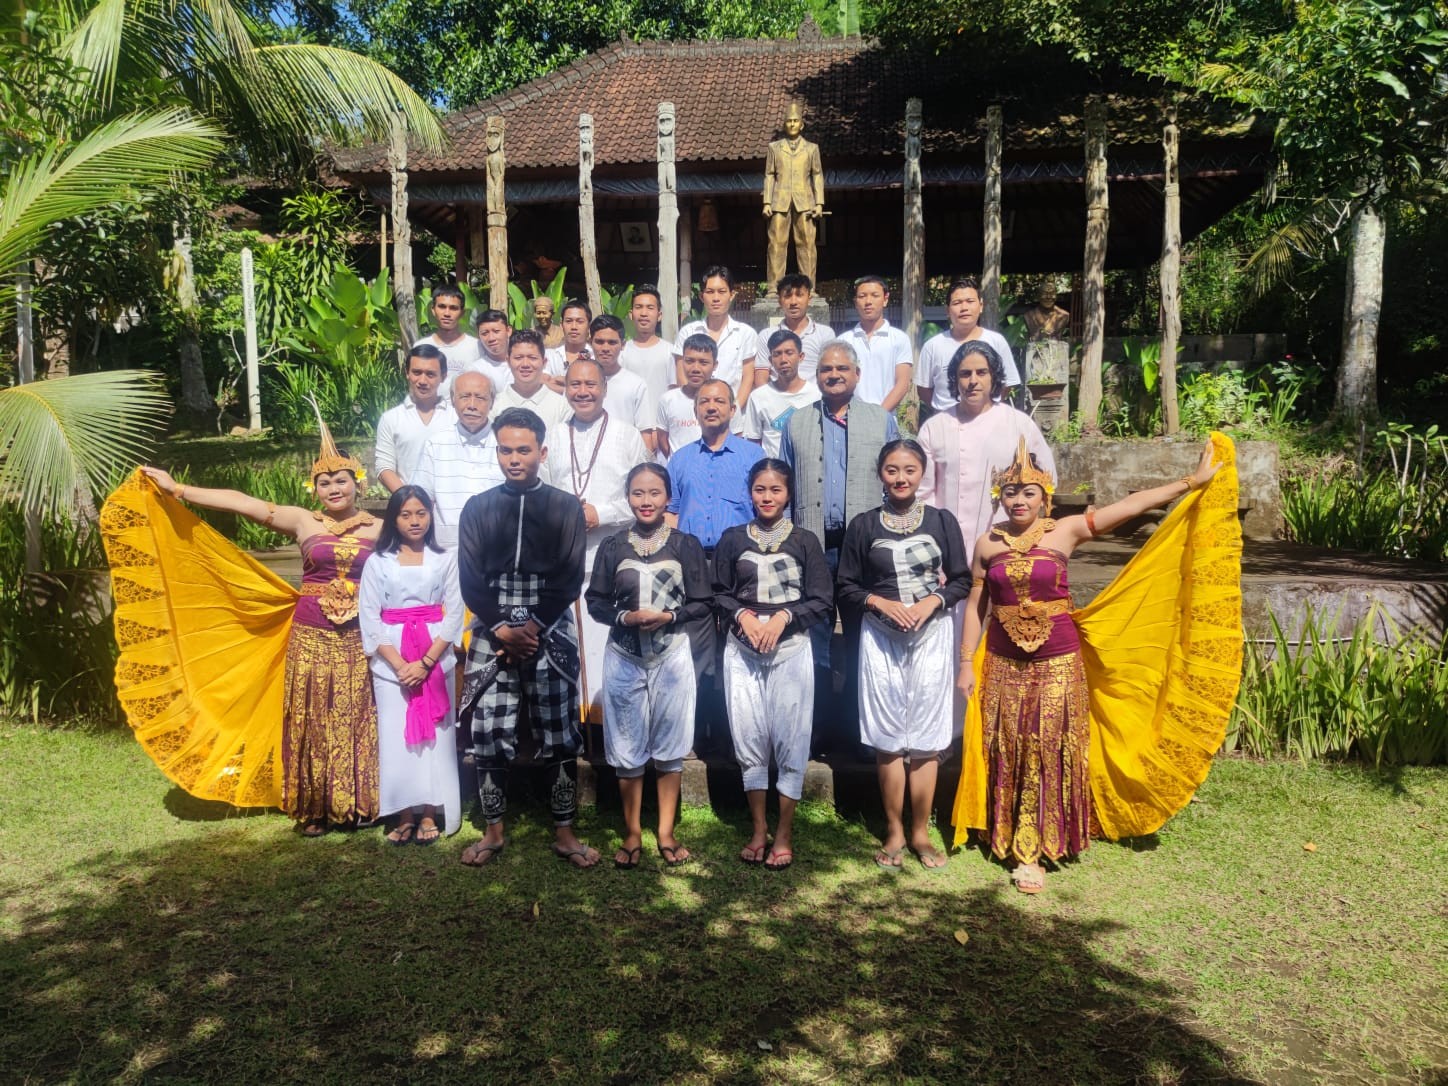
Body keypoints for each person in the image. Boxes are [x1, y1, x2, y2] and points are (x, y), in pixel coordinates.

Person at [955, 437, 1240, 894]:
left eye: (1029, 492)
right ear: (999, 497)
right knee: (1008, 742)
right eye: (1011, 492)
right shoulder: (986, 544)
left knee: (1047, 743)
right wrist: (966, 663)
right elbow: (976, 607)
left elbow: (1127, 507)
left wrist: (1190, 482)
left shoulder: (1065, 530)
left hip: (1058, 658)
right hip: (1003, 661)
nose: (1019, 500)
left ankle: (1034, 849)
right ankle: (1005, 829)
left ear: (1045, 497)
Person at [133, 423, 380, 835]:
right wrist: (179, 490)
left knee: (356, 713)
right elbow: (242, 502)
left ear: (358, 483)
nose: (334, 489)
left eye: (341, 480)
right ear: (314, 489)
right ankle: (314, 807)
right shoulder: (303, 520)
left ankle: (357, 803)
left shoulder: (381, 528)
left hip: (360, 634)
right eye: (324, 483)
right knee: (312, 716)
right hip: (310, 633)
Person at [456, 407, 599, 869]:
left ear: (542, 451)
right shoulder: (478, 507)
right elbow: (470, 578)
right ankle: (493, 831)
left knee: (559, 729)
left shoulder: (564, 507)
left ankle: (565, 832)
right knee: (489, 728)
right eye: (505, 450)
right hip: (491, 625)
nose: (514, 459)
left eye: (523, 450)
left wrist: (532, 627)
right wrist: (502, 627)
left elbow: (570, 576)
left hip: (549, 625)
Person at [836, 440, 970, 870]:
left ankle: (920, 832)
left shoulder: (941, 521)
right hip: (881, 638)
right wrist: (879, 602)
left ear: (922, 473)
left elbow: (962, 579)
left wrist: (932, 601)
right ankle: (894, 830)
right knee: (888, 737)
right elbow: (846, 586)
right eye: (892, 470)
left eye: (909, 470)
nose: (900, 478)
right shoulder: (863, 525)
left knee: (927, 738)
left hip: (931, 636)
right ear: (880, 473)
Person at [585, 463, 713, 869]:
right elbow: (595, 601)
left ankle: (666, 832)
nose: (646, 501)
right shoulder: (613, 546)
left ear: (668, 498)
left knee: (671, 745)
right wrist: (625, 618)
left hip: (670, 654)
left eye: (654, 493)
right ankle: (632, 832)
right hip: (624, 656)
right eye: (638, 493)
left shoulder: (685, 545)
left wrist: (669, 617)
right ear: (628, 497)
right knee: (626, 746)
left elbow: (702, 601)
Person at [780, 339, 899, 756]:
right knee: (812, 639)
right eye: (826, 370)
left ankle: (861, 731)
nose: (834, 375)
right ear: (816, 376)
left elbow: (895, 480)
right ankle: (815, 731)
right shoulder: (797, 422)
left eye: (842, 369)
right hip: (813, 547)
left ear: (857, 374)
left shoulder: (881, 420)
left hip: (863, 550)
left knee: (864, 639)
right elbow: (785, 487)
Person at [714, 459, 833, 870]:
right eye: (760, 489)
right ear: (750, 493)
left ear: (789, 494)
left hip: (790, 650)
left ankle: (783, 832)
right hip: (743, 650)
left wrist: (783, 618)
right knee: (749, 736)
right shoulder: (733, 539)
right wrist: (742, 617)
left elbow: (821, 598)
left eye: (776, 490)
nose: (767, 497)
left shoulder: (805, 541)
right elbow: (717, 591)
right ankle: (758, 829)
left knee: (790, 739)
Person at [544, 359, 649, 723]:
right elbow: (542, 492)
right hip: (566, 562)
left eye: (591, 384)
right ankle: (576, 728)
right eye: (575, 384)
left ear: (605, 388)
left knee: (609, 650)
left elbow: (643, 496)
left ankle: (614, 729)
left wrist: (599, 513)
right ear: (565, 389)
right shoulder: (554, 435)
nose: (583, 392)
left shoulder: (628, 435)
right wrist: (565, 512)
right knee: (572, 649)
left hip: (612, 560)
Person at [359, 485, 464, 844]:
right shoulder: (378, 561)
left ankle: (431, 811)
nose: (414, 521)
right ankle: (404, 811)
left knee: (436, 736)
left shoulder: (445, 559)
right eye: (405, 514)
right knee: (396, 734)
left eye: (421, 513)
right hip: (392, 662)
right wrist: (400, 665)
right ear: (394, 519)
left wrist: (426, 662)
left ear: (431, 516)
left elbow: (455, 614)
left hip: (434, 656)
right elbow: (370, 617)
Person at [917, 340, 1053, 565]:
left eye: (981, 372)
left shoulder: (1019, 425)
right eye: (965, 374)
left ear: (994, 377)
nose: (973, 381)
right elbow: (923, 494)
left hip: (1007, 546)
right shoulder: (935, 427)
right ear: (954, 379)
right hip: (946, 549)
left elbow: (1046, 483)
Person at [666, 379, 763, 556]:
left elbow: (765, 510)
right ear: (695, 411)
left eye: (719, 401)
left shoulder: (754, 456)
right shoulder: (679, 460)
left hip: (741, 558)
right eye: (704, 401)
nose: (711, 407)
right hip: (692, 559)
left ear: (732, 410)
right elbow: (670, 514)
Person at [412, 370, 503, 549]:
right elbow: (420, 500)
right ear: (453, 400)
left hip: (497, 551)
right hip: (447, 552)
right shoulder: (436, 444)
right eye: (464, 397)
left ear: (492, 402)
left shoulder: (505, 444)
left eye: (480, 398)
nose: (472, 405)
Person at [915, 277, 1021, 419]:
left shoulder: (996, 342)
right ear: (947, 310)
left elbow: (1007, 383)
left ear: (981, 306)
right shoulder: (933, 346)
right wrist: (946, 413)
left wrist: (986, 408)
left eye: (970, 301)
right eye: (957, 303)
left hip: (987, 421)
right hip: (946, 423)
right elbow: (923, 389)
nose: (964, 308)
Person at [672, 266, 756, 410]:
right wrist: (695, 410)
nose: (716, 298)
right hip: (694, 414)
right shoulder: (687, 332)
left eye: (722, 291)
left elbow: (748, 378)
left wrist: (733, 411)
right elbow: (682, 376)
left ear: (732, 295)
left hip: (733, 416)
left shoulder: (746, 334)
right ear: (701, 296)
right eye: (710, 292)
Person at [375, 344, 454, 492]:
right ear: (407, 373)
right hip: (408, 503)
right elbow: (384, 467)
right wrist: (409, 499)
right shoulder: (391, 419)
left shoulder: (455, 418)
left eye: (430, 374)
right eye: (417, 372)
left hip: (450, 502)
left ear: (443, 377)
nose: (422, 380)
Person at [741, 329, 820, 458]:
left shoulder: (817, 395)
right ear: (770, 360)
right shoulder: (758, 397)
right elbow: (753, 441)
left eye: (789, 353)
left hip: (807, 466)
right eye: (777, 354)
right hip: (772, 468)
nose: (783, 359)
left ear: (801, 357)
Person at [840, 276, 912, 412]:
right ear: (855, 302)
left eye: (875, 295)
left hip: (886, 417)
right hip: (850, 417)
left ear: (885, 299)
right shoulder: (843, 341)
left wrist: (879, 415)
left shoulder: (899, 339)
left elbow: (902, 384)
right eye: (862, 296)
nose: (868, 301)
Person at [590, 314, 659, 455]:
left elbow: (645, 435)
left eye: (612, 342)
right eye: (599, 342)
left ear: (623, 345)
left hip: (625, 461)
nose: (605, 348)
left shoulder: (636, 384)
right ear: (590, 342)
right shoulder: (578, 383)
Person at [754, 273, 833, 384]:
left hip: (814, 394)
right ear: (780, 301)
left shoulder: (825, 334)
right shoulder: (766, 335)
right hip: (777, 394)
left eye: (799, 295)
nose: (793, 302)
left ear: (809, 299)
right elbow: (761, 376)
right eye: (787, 296)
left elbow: (830, 371)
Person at [493, 328, 571, 430]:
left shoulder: (562, 406)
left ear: (544, 362)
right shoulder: (494, 406)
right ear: (508, 361)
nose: (525, 364)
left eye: (532, 358)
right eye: (518, 358)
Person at [655, 334, 715, 459]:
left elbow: (735, 439)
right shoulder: (668, 400)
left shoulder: (725, 401)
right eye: (689, 361)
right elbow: (662, 439)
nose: (695, 368)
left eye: (703, 362)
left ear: (715, 365)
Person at [620, 286, 675, 409]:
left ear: (659, 315)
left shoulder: (670, 351)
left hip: (660, 420)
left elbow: (675, 393)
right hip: (629, 420)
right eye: (638, 307)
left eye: (650, 308)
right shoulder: (622, 351)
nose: (644, 313)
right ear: (631, 314)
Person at [415, 285, 481, 384]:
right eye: (442, 307)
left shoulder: (476, 347)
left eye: (453, 308)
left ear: (462, 313)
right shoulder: (421, 346)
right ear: (433, 310)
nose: (447, 313)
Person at [543, 299, 592, 390]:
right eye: (569, 321)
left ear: (589, 326)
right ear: (561, 325)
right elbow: (542, 385)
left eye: (580, 321)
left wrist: (563, 382)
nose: (574, 327)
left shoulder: (596, 357)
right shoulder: (549, 356)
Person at [468, 308, 515, 392]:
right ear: (478, 336)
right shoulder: (476, 370)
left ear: (508, 331)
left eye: (496, 331)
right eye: (484, 333)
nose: (491, 338)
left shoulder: (526, 362)